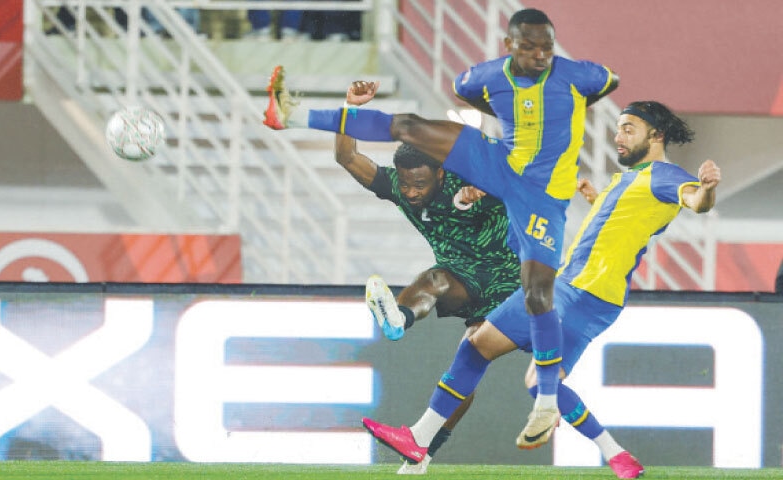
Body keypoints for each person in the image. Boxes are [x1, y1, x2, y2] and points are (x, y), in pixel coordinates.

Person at [263, 7, 619, 449]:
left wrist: (561, 114)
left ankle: (544, 404)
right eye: (529, 47)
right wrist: (351, 107)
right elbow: (459, 94)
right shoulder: (483, 80)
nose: (541, 55)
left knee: (528, 301)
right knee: (409, 128)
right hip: (493, 187)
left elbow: (608, 81)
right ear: (509, 45)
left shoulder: (575, 77)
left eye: (547, 46)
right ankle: (291, 114)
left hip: (531, 214)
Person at [363, 100, 720, 479]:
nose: (619, 136)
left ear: (657, 135)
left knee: (476, 347)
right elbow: (626, 224)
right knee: (540, 384)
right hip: (602, 301)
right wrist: (597, 199)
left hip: (572, 289)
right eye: (618, 128)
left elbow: (696, 201)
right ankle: (618, 456)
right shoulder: (631, 180)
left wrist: (707, 190)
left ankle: (419, 439)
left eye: (629, 129)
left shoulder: (664, 176)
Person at [338, 81, 522, 473]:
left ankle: (423, 451)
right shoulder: (399, 187)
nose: (411, 192)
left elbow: (516, 179)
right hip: (461, 280)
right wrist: (349, 109)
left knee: (467, 368)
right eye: (405, 183)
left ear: (440, 173)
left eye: (419, 184)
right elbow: (347, 157)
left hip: (509, 282)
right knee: (435, 279)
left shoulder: (466, 177)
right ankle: (398, 319)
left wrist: (484, 188)